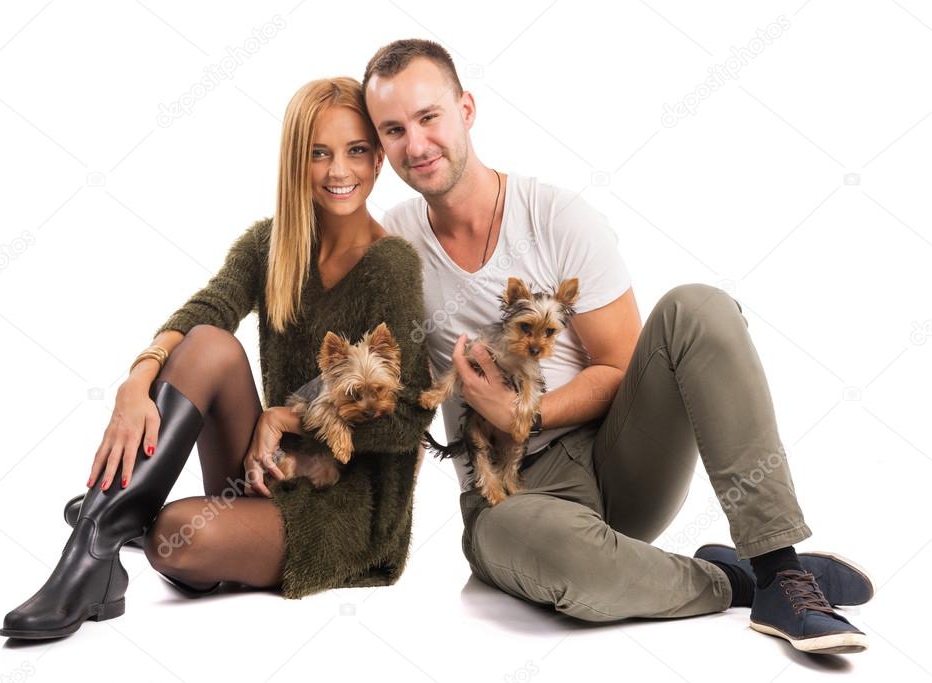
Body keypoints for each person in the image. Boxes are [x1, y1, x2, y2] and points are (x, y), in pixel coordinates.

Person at [362, 38, 874, 656]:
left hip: (617, 461)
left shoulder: (555, 216)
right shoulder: (391, 248)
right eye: (393, 130)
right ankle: (740, 580)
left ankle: (780, 564)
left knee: (699, 308)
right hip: (511, 496)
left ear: (466, 109)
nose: (415, 144)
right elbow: (391, 396)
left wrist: (527, 413)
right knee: (563, 566)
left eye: (428, 117)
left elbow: (620, 365)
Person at [0, 76, 436, 639]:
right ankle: (95, 546)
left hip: (343, 507)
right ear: (295, 161)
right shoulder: (271, 244)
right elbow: (210, 306)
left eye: (355, 151)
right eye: (319, 153)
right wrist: (136, 380)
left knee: (174, 538)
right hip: (261, 471)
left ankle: (121, 517)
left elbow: (406, 419)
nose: (338, 171)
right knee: (209, 341)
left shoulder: (391, 264)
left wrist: (290, 416)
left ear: (378, 159)